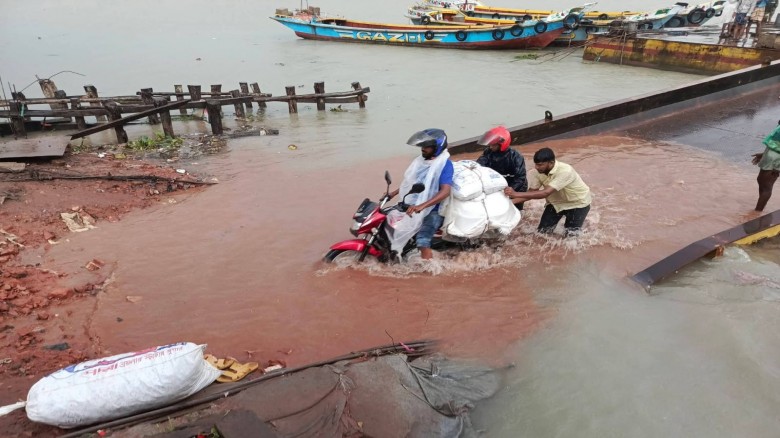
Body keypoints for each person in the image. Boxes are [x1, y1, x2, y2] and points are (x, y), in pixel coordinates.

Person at [387, 128, 454, 259]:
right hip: (415, 204)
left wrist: (422, 206)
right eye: (422, 146)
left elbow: (446, 191)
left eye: (426, 147)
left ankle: (429, 271)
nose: (423, 149)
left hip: (435, 209)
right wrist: (392, 194)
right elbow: (411, 183)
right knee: (389, 221)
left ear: (437, 147)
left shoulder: (445, 165)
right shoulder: (421, 162)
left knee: (422, 240)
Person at [504, 147, 592, 236]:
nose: (537, 167)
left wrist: (515, 193)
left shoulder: (565, 171)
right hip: (555, 203)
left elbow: (546, 192)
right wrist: (509, 202)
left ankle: (584, 226)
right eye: (536, 164)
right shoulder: (536, 172)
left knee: (571, 236)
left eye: (540, 165)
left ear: (551, 163)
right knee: (542, 233)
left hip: (577, 203)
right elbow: (531, 193)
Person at [475, 125, 528, 210]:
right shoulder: (488, 152)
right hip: (498, 182)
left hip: (516, 187)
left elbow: (520, 178)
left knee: (515, 210)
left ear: (501, 144)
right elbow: (480, 164)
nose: (491, 147)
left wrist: (509, 191)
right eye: (490, 145)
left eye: (493, 145)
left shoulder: (515, 157)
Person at [752, 121, 780, 211]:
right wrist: (764, 154)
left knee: (766, 187)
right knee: (761, 181)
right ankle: (758, 211)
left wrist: (777, 166)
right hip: (771, 156)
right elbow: (775, 142)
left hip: (775, 160)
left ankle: (757, 212)